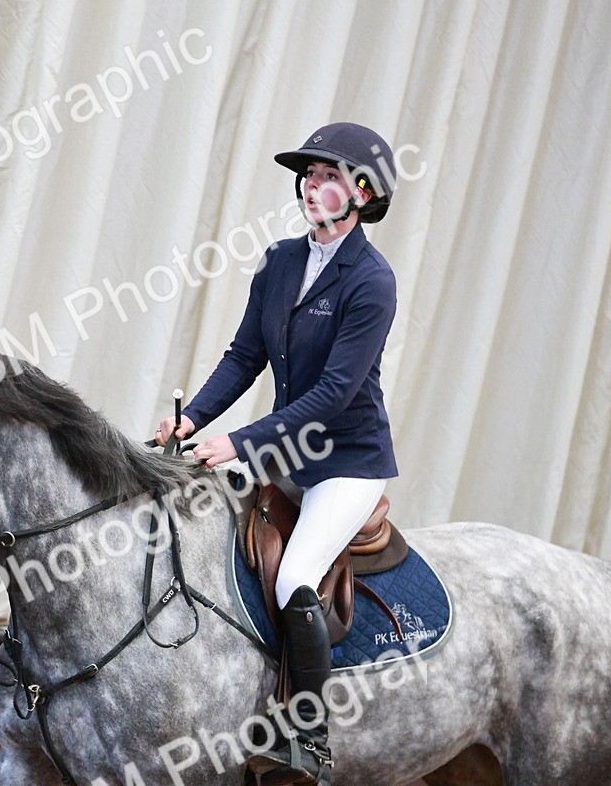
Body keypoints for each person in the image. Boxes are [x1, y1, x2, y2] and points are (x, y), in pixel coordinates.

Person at [155, 122, 399, 785]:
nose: (313, 185)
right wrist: (192, 421)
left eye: (329, 176)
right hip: (284, 453)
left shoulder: (372, 281)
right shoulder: (280, 260)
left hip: (345, 460)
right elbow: (244, 356)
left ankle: (309, 734)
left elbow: (333, 392)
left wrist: (238, 441)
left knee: (294, 578)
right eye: (309, 174)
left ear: (362, 192)